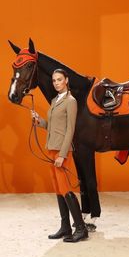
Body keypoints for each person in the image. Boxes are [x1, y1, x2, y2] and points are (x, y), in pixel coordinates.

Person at [31, 68, 88, 243]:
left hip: (62, 152)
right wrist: (39, 121)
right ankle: (65, 227)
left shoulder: (70, 101)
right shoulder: (55, 100)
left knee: (66, 189)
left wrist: (62, 155)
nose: (56, 83)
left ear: (66, 80)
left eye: (59, 79)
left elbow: (70, 130)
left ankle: (80, 228)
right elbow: (54, 127)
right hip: (51, 149)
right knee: (58, 190)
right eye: (54, 80)